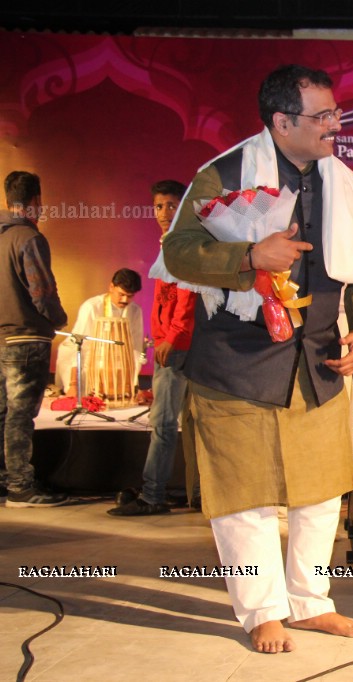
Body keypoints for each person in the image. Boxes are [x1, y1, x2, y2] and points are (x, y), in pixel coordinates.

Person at [162, 64, 353, 653]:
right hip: (237, 363)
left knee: (320, 492)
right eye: (323, 116)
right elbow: (178, 252)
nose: (336, 125)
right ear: (281, 122)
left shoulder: (348, 183)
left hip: (318, 363)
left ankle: (311, 604)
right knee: (245, 497)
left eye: (336, 113)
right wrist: (249, 255)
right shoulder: (225, 174)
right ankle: (261, 611)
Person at [109, 180, 200, 516]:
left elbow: (188, 294)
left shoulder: (184, 241)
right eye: (159, 206)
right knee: (190, 423)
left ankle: (153, 495)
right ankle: (195, 494)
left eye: (172, 205)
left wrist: (171, 337)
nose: (164, 212)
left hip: (176, 345)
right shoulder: (172, 242)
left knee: (163, 423)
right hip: (174, 342)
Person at [1, 171, 69, 507]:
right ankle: (20, 487)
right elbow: (41, 292)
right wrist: (59, 318)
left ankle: (4, 482)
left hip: (1, 337)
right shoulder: (28, 238)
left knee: (3, 413)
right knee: (20, 415)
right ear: (36, 201)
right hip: (26, 338)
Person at [55, 268, 145, 396]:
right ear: (111, 287)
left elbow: (134, 348)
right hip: (84, 355)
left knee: (121, 392)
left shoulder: (135, 311)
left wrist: (133, 383)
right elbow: (78, 345)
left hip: (115, 358)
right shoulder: (92, 306)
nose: (125, 300)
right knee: (83, 389)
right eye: (121, 294)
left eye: (130, 296)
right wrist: (73, 384)